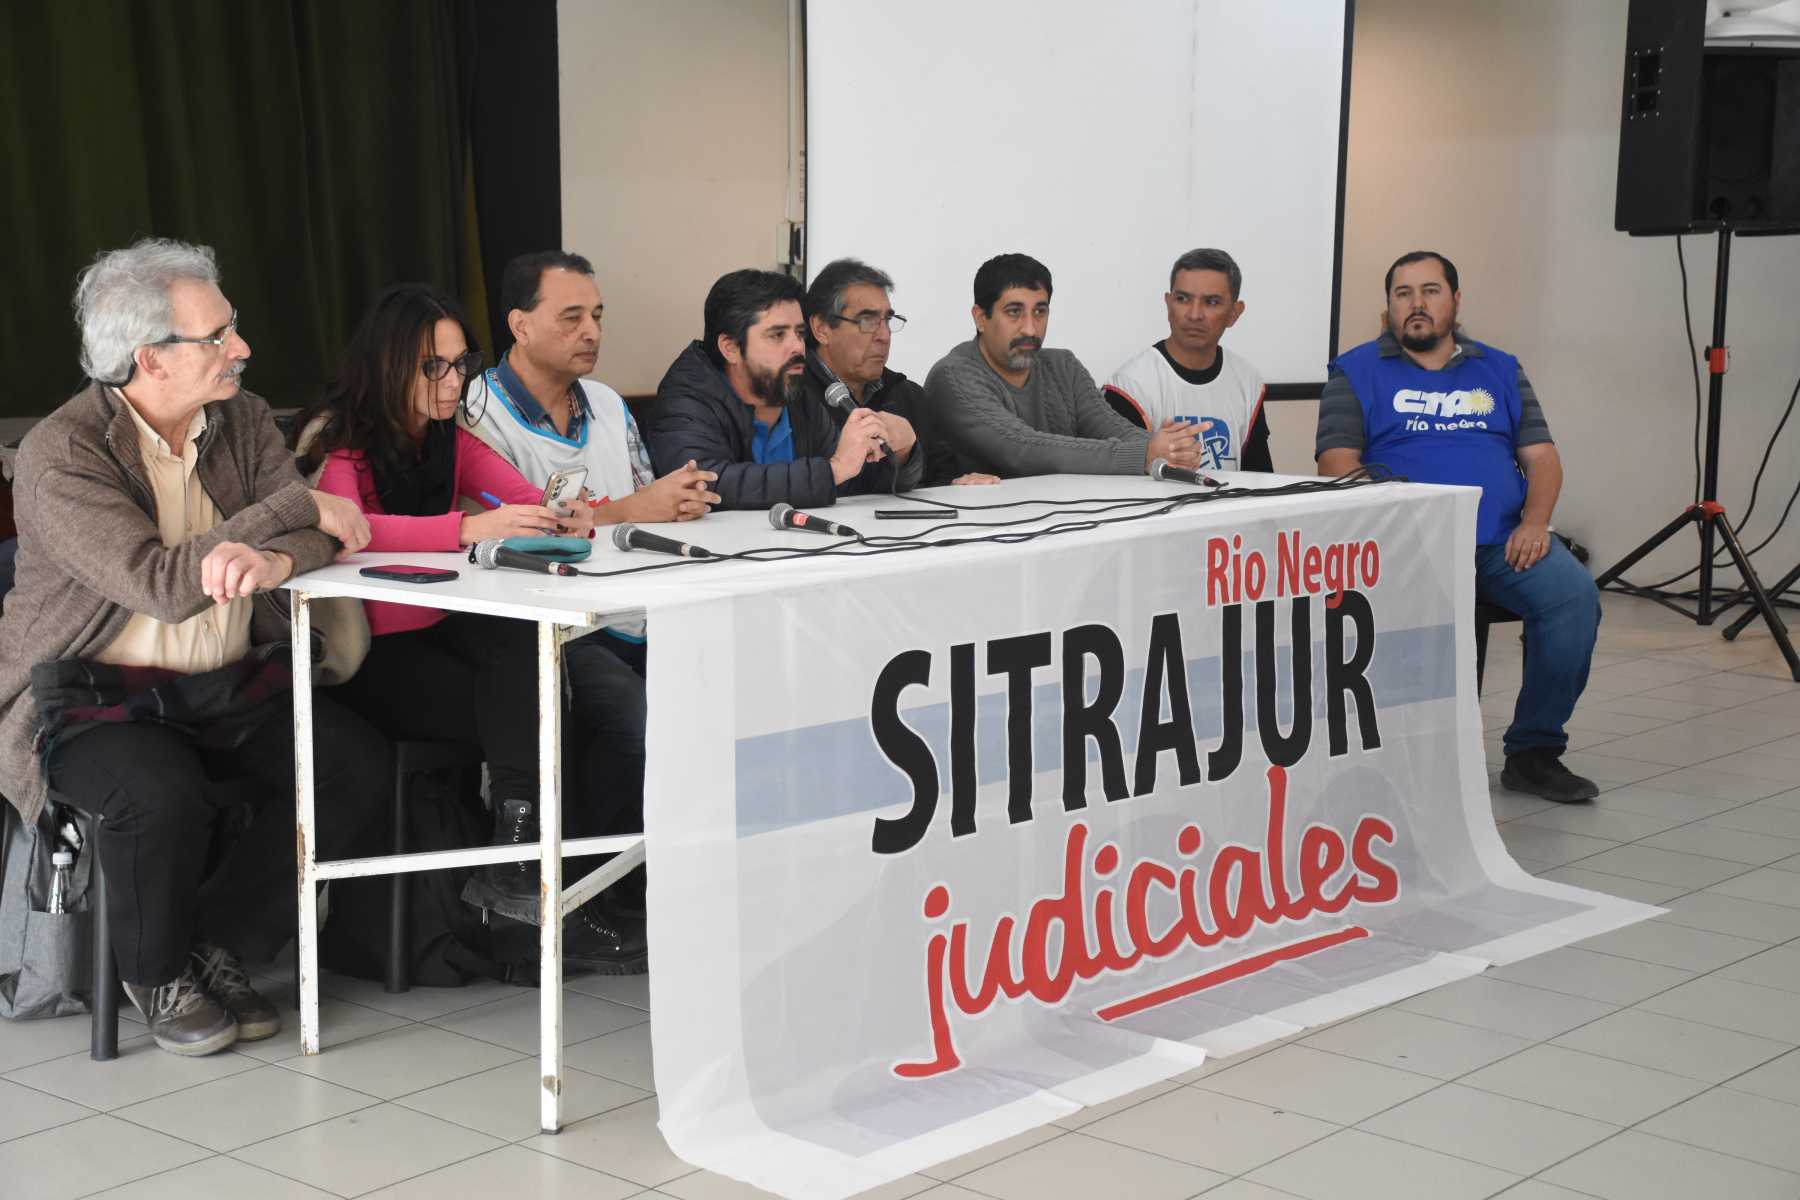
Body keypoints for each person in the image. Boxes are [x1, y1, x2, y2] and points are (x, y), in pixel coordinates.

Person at [0, 238, 391, 1055]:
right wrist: (290, 516)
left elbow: (321, 536)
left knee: (351, 762)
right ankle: (155, 969)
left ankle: (216, 940)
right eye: (217, 336)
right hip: (87, 698)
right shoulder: (61, 456)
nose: (240, 349)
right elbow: (162, 583)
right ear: (150, 358)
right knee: (157, 789)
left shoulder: (241, 419)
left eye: (232, 329)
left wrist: (280, 551)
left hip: (223, 685)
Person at [296, 284, 646, 972]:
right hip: (366, 659)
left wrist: (561, 514)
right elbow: (350, 532)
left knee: (537, 670)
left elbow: (515, 494)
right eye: (435, 366)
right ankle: (536, 899)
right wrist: (465, 527)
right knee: (541, 706)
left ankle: (527, 877)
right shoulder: (339, 439)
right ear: (392, 364)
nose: (453, 381)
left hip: (439, 635)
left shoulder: (448, 437)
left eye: (461, 364)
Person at [463, 250, 719, 903]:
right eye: (571, 317)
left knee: (716, 696)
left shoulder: (606, 404)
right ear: (520, 326)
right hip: (545, 630)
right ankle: (590, 893)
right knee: (635, 723)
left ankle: (657, 890)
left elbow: (638, 503)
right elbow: (521, 530)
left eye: (598, 316)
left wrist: (676, 506)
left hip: (632, 611)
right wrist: (638, 508)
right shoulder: (478, 413)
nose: (593, 332)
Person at [1317, 250, 1601, 803]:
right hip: (1407, 545)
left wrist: (1536, 523)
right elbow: (1336, 464)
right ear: (1389, 307)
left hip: (1500, 542)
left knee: (1573, 600)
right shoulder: (1354, 371)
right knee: (1446, 617)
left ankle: (1534, 754)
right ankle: (1434, 754)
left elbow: (1542, 458)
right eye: (1403, 294)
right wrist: (1396, 529)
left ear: (1455, 301)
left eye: (1430, 291)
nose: (1417, 304)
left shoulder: (1499, 368)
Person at [644, 269, 924, 508]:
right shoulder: (686, 399)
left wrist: (903, 453)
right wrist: (833, 469)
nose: (797, 347)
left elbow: (850, 487)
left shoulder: (796, 392)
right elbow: (707, 485)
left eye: (799, 333)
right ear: (730, 347)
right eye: (778, 335)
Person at [919, 253, 1202, 479]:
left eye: (1040, 312)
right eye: (1014, 312)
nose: (1030, 328)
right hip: (982, 536)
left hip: (1065, 525)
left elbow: (1110, 426)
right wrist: (1144, 454)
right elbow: (1023, 449)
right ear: (981, 318)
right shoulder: (954, 376)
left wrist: (1169, 449)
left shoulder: (1063, 365)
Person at [802, 257, 997, 488]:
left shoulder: (907, 395)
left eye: (887, 320)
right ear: (822, 329)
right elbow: (797, 489)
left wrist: (956, 486)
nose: (884, 336)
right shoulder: (791, 398)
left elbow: (940, 476)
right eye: (867, 320)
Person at [1104, 248, 1272, 473]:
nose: (1194, 315)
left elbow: (1259, 480)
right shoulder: (1130, 385)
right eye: (1183, 299)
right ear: (1168, 303)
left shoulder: (1248, 381)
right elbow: (1118, 483)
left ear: (1234, 313)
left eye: (1211, 302)